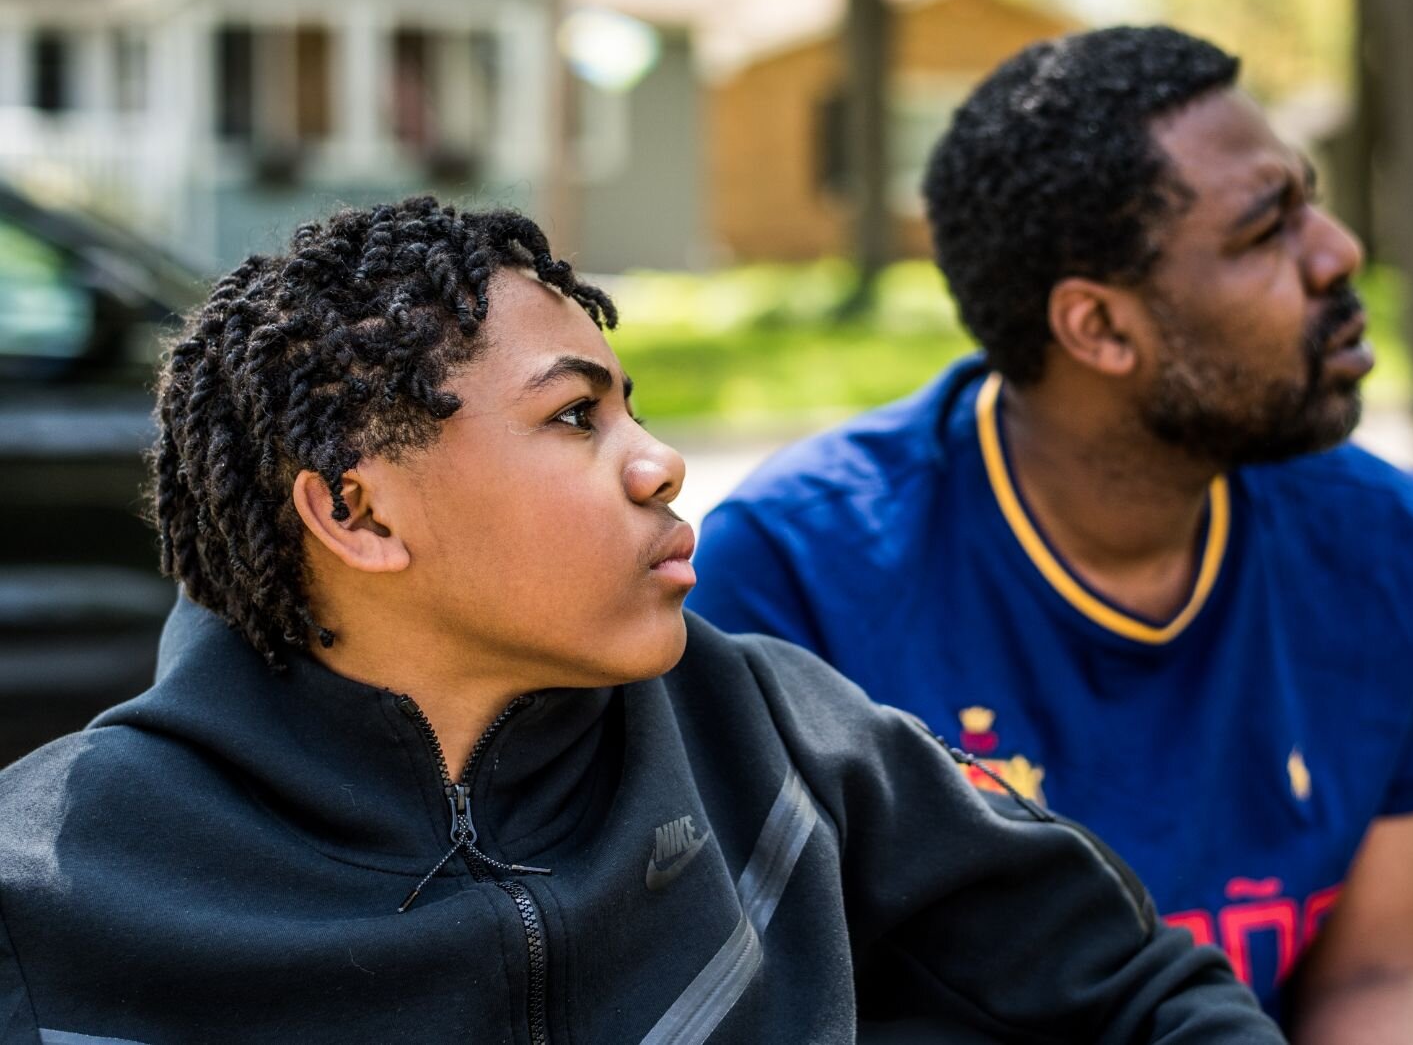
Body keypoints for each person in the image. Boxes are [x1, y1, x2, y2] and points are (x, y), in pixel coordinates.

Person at [0, 197, 1284, 1044]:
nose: (659, 462)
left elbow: (1143, 1000)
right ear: (355, 511)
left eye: (635, 409)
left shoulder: (780, 741)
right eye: (575, 417)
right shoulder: (50, 893)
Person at [688, 26, 1413, 1042]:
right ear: (1097, 328)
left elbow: (1375, 978)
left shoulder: (1375, 540)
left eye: (1308, 199)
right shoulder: (798, 580)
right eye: (1266, 228)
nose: (1338, 250)